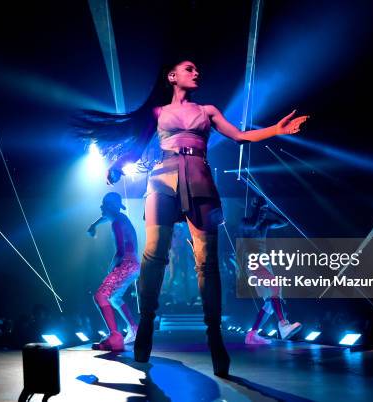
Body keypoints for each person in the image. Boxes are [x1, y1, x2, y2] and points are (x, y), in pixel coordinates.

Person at [74, 59, 309, 377]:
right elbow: (140, 145)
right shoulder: (158, 113)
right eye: (189, 68)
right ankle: (145, 328)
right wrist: (117, 165)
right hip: (162, 180)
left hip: (199, 179)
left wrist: (276, 130)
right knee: (153, 256)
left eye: (198, 68)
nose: (196, 72)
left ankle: (216, 339)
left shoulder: (208, 111)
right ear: (171, 76)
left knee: (207, 262)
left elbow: (239, 136)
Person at [239, 197, 302, 345]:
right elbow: (254, 223)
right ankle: (283, 325)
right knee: (275, 286)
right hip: (254, 263)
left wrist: (269, 206)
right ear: (254, 208)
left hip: (265, 263)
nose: (263, 213)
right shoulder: (245, 222)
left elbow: (285, 221)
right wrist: (260, 209)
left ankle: (252, 334)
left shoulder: (265, 223)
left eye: (264, 211)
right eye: (260, 210)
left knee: (269, 303)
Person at [88, 192, 140, 351]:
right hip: (134, 265)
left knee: (100, 296)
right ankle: (134, 329)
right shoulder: (121, 218)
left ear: (109, 206)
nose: (101, 207)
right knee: (115, 298)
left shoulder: (117, 223)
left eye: (103, 205)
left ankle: (115, 337)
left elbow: (120, 250)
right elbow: (106, 217)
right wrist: (94, 225)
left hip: (126, 263)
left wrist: (112, 266)